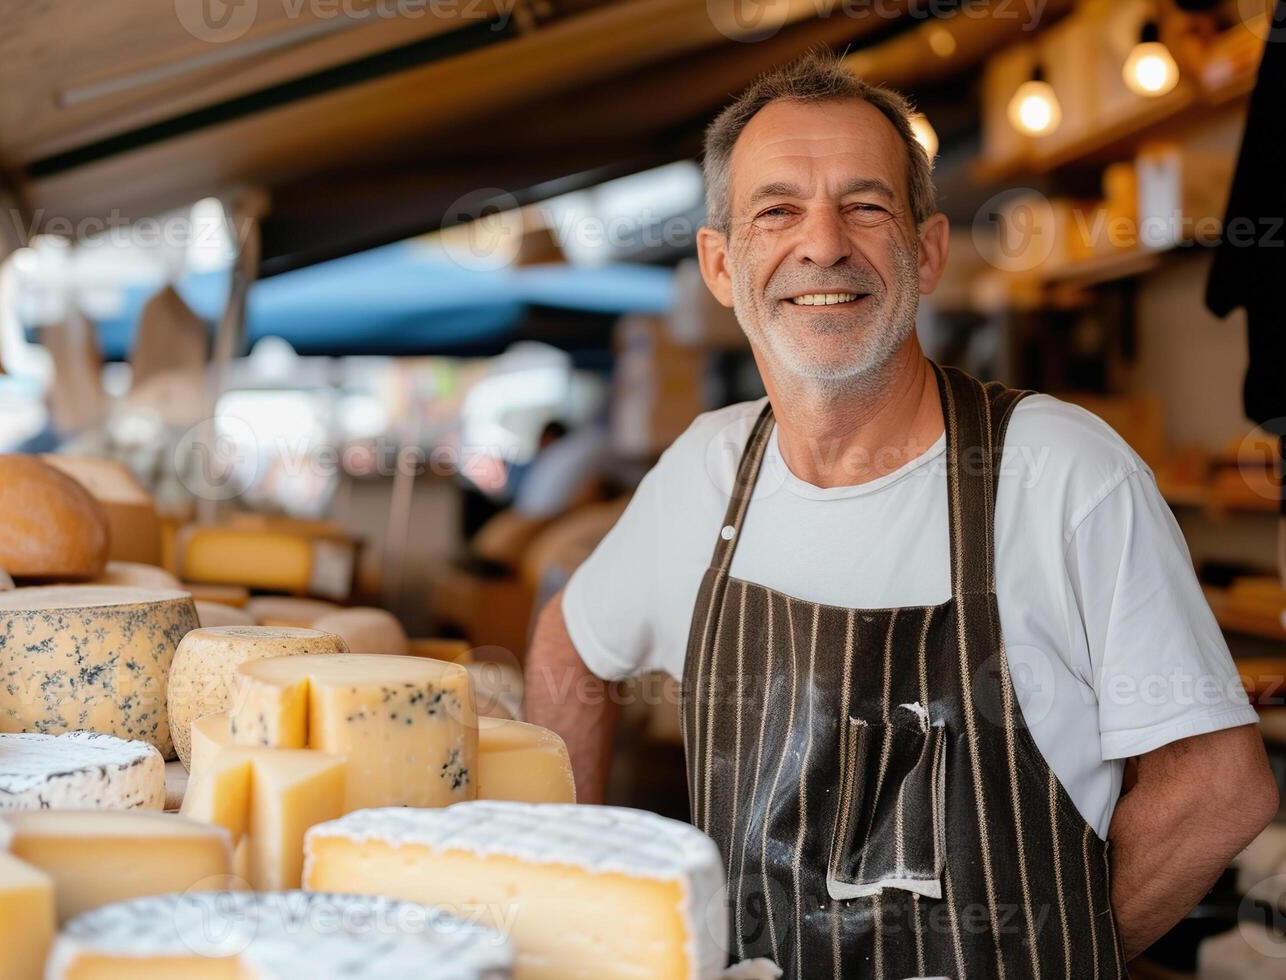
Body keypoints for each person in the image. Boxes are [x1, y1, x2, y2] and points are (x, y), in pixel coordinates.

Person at [523, 51, 1277, 976]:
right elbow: (569, 643)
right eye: (777, 210)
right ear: (722, 265)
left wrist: (1048, 959)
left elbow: (1218, 788)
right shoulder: (705, 471)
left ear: (925, 249)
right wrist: (573, 913)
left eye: (867, 205)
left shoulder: (1061, 472)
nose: (824, 244)